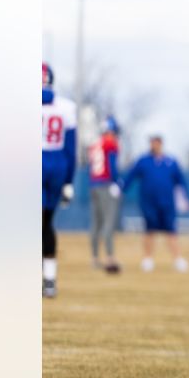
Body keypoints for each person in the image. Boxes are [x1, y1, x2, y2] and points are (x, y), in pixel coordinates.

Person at [121, 134, 189, 272]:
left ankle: (177, 259)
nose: (155, 145)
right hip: (149, 202)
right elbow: (131, 176)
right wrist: (121, 188)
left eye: (157, 143)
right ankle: (147, 259)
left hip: (167, 203)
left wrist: (185, 198)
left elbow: (181, 181)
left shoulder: (171, 162)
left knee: (171, 231)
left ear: (161, 144)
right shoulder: (143, 161)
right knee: (149, 230)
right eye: (152, 143)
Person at [42, 62, 77, 299]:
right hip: (58, 165)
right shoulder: (66, 107)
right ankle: (50, 279)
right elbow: (71, 149)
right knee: (46, 223)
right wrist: (68, 181)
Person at [86, 115, 123, 274]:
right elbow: (112, 165)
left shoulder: (95, 144)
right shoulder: (110, 143)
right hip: (106, 184)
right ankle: (109, 257)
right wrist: (116, 182)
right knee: (108, 221)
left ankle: (94, 257)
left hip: (94, 184)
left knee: (96, 223)